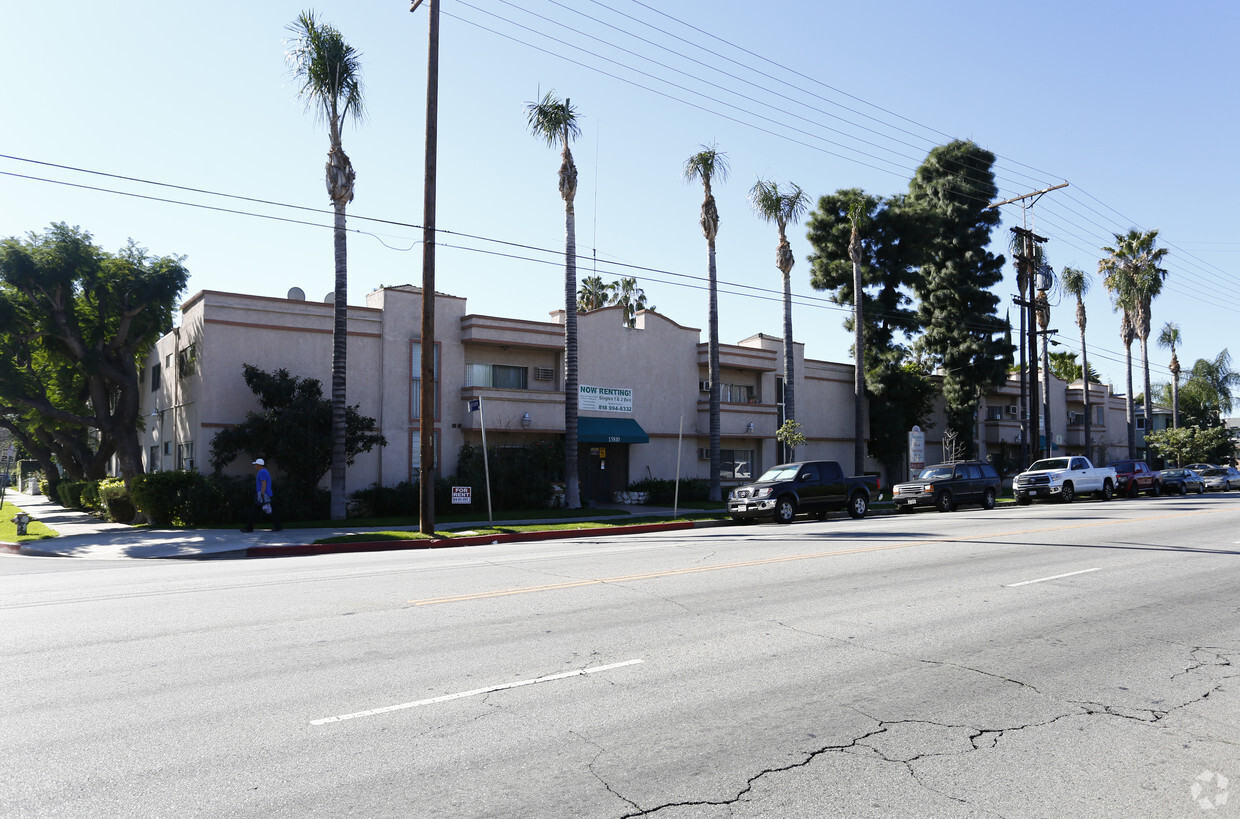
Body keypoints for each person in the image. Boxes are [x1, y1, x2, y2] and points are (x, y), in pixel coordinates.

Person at [242, 458, 282, 532]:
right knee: (272, 511)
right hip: (268, 495)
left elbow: (264, 483)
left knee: (254, 512)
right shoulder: (265, 471)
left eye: (255, 464)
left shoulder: (262, 472)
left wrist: (261, 494)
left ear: (258, 465)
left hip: (263, 495)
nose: (255, 466)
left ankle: (249, 528)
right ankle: (278, 526)